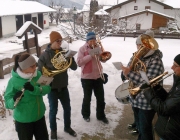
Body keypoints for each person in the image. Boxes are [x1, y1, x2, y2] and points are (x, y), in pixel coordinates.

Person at [121, 30, 164, 140]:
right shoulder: (136, 56)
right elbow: (129, 71)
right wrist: (125, 73)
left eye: (141, 45)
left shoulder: (156, 60)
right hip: (135, 99)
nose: (138, 47)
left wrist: (129, 73)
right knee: (140, 127)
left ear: (148, 46)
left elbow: (148, 83)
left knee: (145, 130)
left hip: (146, 102)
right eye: (138, 44)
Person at [38, 31, 77, 139]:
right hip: (52, 89)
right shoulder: (44, 55)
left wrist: (70, 58)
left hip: (64, 87)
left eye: (60, 40)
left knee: (67, 109)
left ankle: (67, 127)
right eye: (57, 41)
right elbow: (39, 72)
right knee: (53, 111)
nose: (59, 43)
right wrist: (50, 72)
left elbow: (74, 67)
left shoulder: (64, 53)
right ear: (52, 42)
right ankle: (53, 131)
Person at [4, 53, 51, 140]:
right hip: (23, 122)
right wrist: (14, 99)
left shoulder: (38, 74)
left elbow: (47, 88)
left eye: (35, 65)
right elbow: (7, 102)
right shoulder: (13, 81)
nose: (35, 68)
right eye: (32, 66)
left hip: (39, 117)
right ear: (23, 68)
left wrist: (35, 89)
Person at [143, 54, 180, 140]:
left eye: (176, 65)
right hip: (168, 129)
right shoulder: (178, 81)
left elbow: (163, 109)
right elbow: (171, 102)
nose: (172, 67)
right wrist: (158, 89)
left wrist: (147, 92)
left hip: (172, 134)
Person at [76, 31, 109, 124]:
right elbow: (79, 62)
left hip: (98, 76)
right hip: (86, 78)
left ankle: (101, 116)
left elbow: (102, 60)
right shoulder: (82, 49)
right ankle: (86, 115)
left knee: (101, 98)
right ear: (87, 40)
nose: (92, 42)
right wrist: (90, 55)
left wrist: (104, 58)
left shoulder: (98, 48)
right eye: (90, 40)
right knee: (87, 98)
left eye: (94, 40)